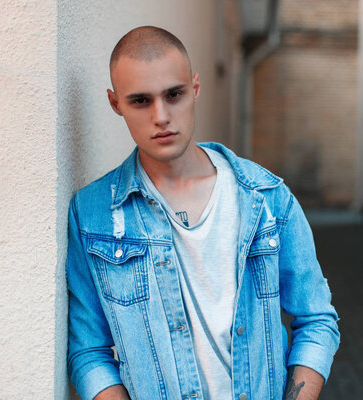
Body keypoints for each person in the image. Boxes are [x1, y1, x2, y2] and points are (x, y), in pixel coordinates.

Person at [66, 26, 339, 400]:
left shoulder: (267, 199)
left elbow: (316, 320)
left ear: (195, 89)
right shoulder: (93, 214)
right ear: (116, 104)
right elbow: (89, 351)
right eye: (141, 101)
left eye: (173, 95)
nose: (161, 116)